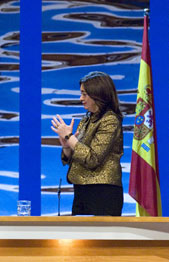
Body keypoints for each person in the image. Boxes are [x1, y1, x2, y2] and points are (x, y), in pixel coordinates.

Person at [51, 71, 123, 216]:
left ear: (98, 95)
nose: (81, 98)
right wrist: (66, 146)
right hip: (82, 190)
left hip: (103, 193)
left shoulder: (110, 121)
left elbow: (92, 159)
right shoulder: (87, 119)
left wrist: (69, 137)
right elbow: (78, 153)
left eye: (85, 94)